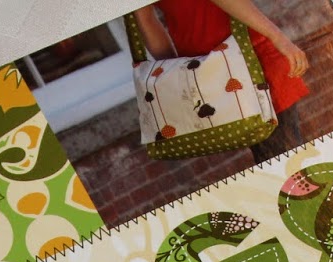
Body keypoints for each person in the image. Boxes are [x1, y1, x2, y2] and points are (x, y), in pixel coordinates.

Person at [133, 0, 311, 163]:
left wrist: (176, 72)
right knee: (286, 158)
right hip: (245, 52)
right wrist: (278, 36)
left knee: (272, 155)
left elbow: (146, 21)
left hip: (202, 68)